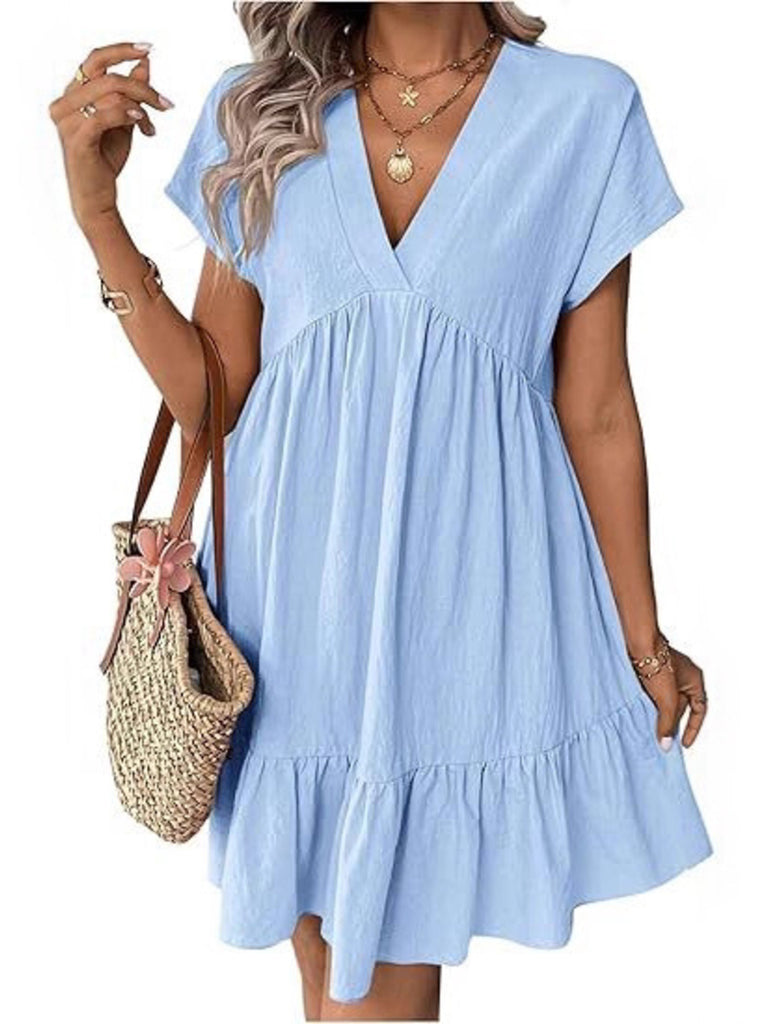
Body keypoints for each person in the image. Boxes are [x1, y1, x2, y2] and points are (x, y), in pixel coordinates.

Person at [49, 3, 712, 1020]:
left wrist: (643, 639)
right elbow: (214, 400)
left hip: (453, 614)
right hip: (288, 607)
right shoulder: (260, 106)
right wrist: (99, 214)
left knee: (366, 981)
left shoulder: (585, 111)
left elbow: (598, 409)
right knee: (330, 977)